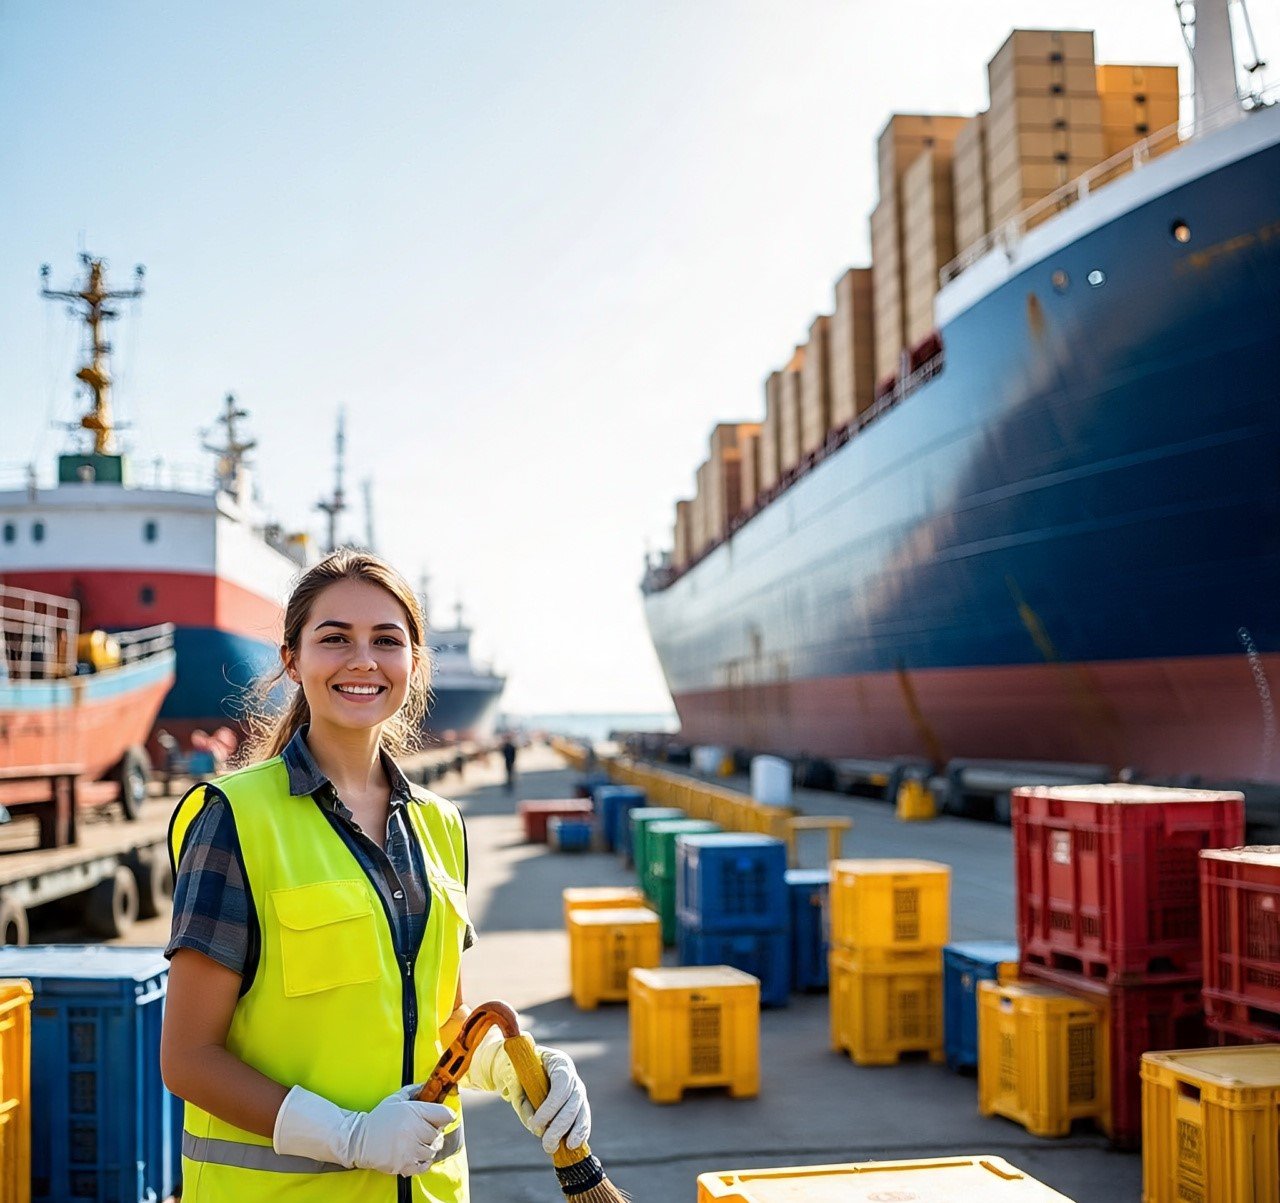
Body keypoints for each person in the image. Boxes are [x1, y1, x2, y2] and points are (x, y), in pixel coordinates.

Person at [160, 549, 591, 1201]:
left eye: (386, 640)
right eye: (335, 638)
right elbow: (189, 1058)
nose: (363, 660)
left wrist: (516, 1067)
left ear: (414, 663)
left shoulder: (441, 825)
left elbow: (441, 1021)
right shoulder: (235, 820)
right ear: (292, 660)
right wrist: (349, 1135)